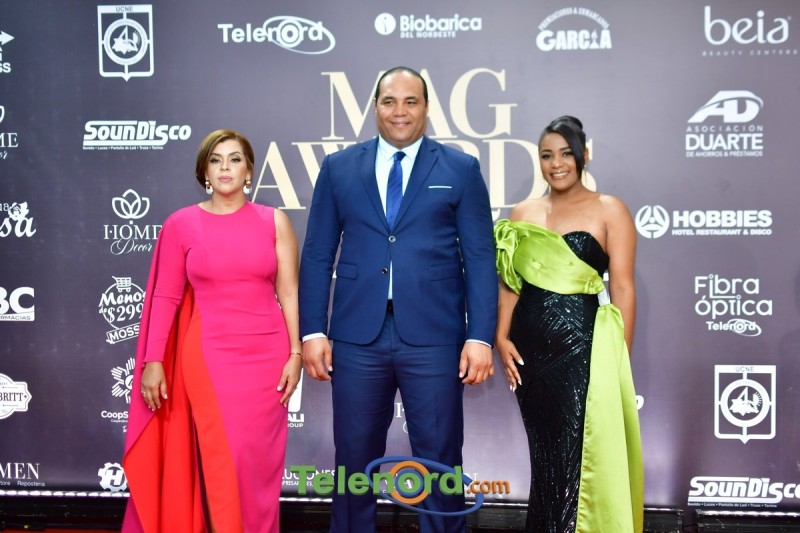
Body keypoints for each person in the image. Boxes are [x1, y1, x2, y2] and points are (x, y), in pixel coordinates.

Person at [299, 66, 498, 532]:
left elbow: (479, 257)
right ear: (375, 107)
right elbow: (317, 254)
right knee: (353, 458)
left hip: (434, 336)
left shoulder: (460, 168)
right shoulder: (339, 167)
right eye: (389, 101)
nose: (400, 111)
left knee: (440, 458)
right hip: (357, 336)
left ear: (426, 107)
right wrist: (312, 331)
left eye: (411, 101)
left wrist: (480, 337)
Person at [121, 129, 302, 533]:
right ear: (204, 171)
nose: (225, 168)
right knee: (224, 459)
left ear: (249, 171)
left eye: (235, 159)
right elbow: (165, 297)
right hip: (208, 358)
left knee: (259, 463)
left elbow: (289, 292)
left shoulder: (274, 221)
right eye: (216, 160)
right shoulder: (181, 224)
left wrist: (295, 353)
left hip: (268, 358)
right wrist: (153, 361)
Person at [493, 116, 643, 532]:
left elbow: (623, 288)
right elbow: (510, 283)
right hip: (529, 353)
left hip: (583, 351)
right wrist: (500, 336)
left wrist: (619, 360)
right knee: (544, 457)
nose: (556, 164)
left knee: (578, 454)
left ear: (584, 154)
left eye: (565, 153)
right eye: (547, 155)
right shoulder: (523, 212)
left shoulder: (610, 209)